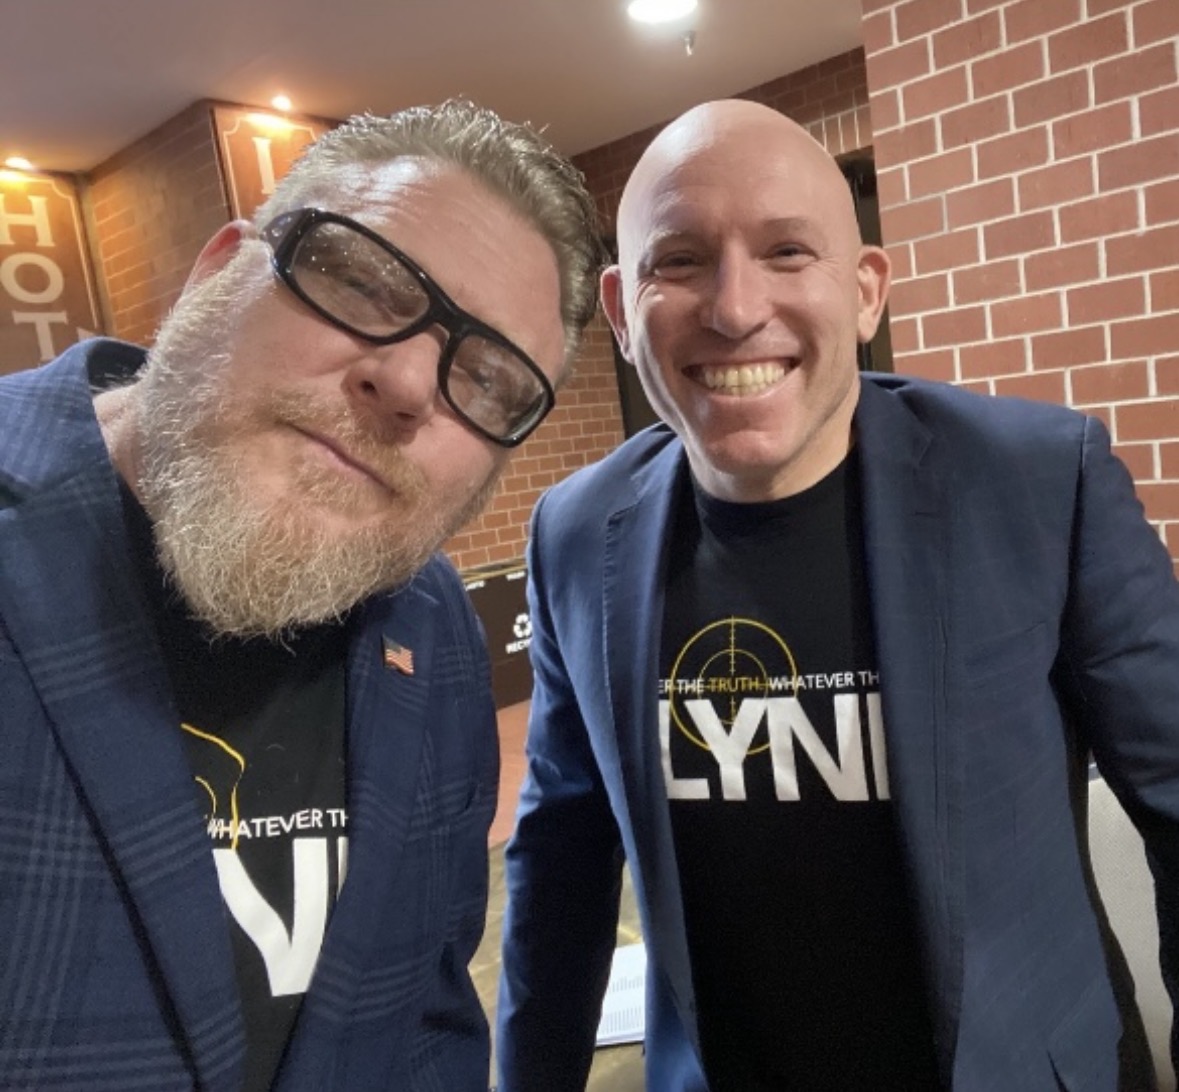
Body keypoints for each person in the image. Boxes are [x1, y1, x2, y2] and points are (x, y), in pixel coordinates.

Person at [496, 97, 1179, 1091]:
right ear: (619, 311)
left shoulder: (1037, 483)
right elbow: (560, 860)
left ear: (866, 292)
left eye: (786, 251)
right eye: (679, 260)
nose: (734, 309)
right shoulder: (572, 532)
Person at [0, 98, 603, 1091]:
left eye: (489, 380)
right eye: (359, 282)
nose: (408, 384)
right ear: (217, 273)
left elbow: (429, 1025)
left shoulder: (431, 627)